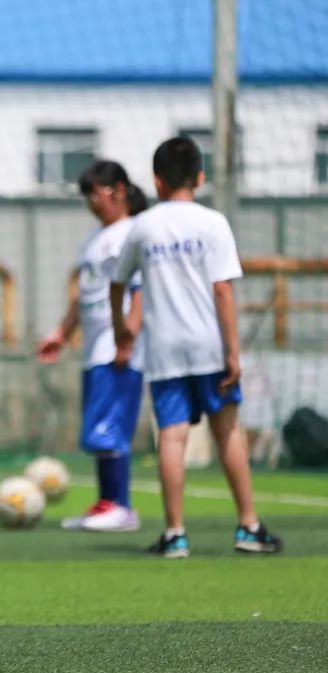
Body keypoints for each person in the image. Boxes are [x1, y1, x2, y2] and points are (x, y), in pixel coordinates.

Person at [110, 137, 283, 557]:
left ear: (156, 180)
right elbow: (222, 290)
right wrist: (233, 352)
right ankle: (248, 526)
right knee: (228, 431)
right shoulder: (213, 223)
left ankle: (175, 534)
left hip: (165, 348)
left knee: (172, 438)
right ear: (200, 177)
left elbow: (117, 282)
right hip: (209, 345)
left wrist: (121, 330)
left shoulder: (143, 226)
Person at [37, 161, 148, 532]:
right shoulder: (95, 239)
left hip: (117, 344)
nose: (90, 202)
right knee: (97, 428)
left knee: (108, 426)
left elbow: (141, 289)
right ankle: (106, 503)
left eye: (95, 193)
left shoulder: (133, 233)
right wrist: (61, 332)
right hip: (95, 345)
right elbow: (84, 295)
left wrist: (128, 336)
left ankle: (121, 507)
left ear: (119, 190)